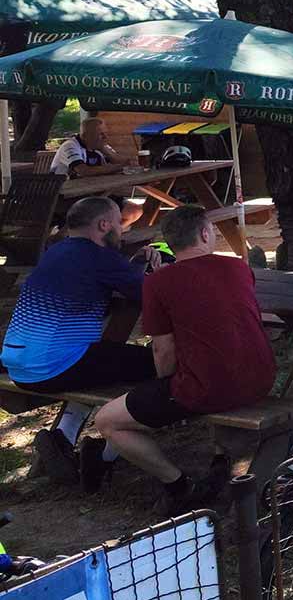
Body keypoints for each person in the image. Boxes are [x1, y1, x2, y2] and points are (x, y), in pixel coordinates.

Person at [88, 205, 275, 508]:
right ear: (204, 233)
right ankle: (219, 458)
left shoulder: (158, 282)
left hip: (209, 388)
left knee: (106, 420)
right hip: (262, 378)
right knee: (211, 369)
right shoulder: (240, 268)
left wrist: (166, 392)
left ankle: (179, 485)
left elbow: (163, 351)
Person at [1, 196, 159, 484]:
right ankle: (104, 454)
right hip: (54, 366)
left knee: (109, 362)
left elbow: (94, 286)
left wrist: (132, 265)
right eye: (119, 224)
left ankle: (63, 438)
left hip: (18, 363)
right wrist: (150, 270)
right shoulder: (99, 257)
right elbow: (152, 295)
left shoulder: (55, 251)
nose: (122, 231)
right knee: (160, 364)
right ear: (103, 224)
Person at [50, 116, 119, 179]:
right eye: (100, 134)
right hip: (61, 189)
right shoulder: (70, 146)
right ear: (85, 136)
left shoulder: (99, 144)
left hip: (88, 187)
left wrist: (104, 150)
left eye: (106, 133)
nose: (105, 137)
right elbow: (83, 171)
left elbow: (120, 161)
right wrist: (117, 167)